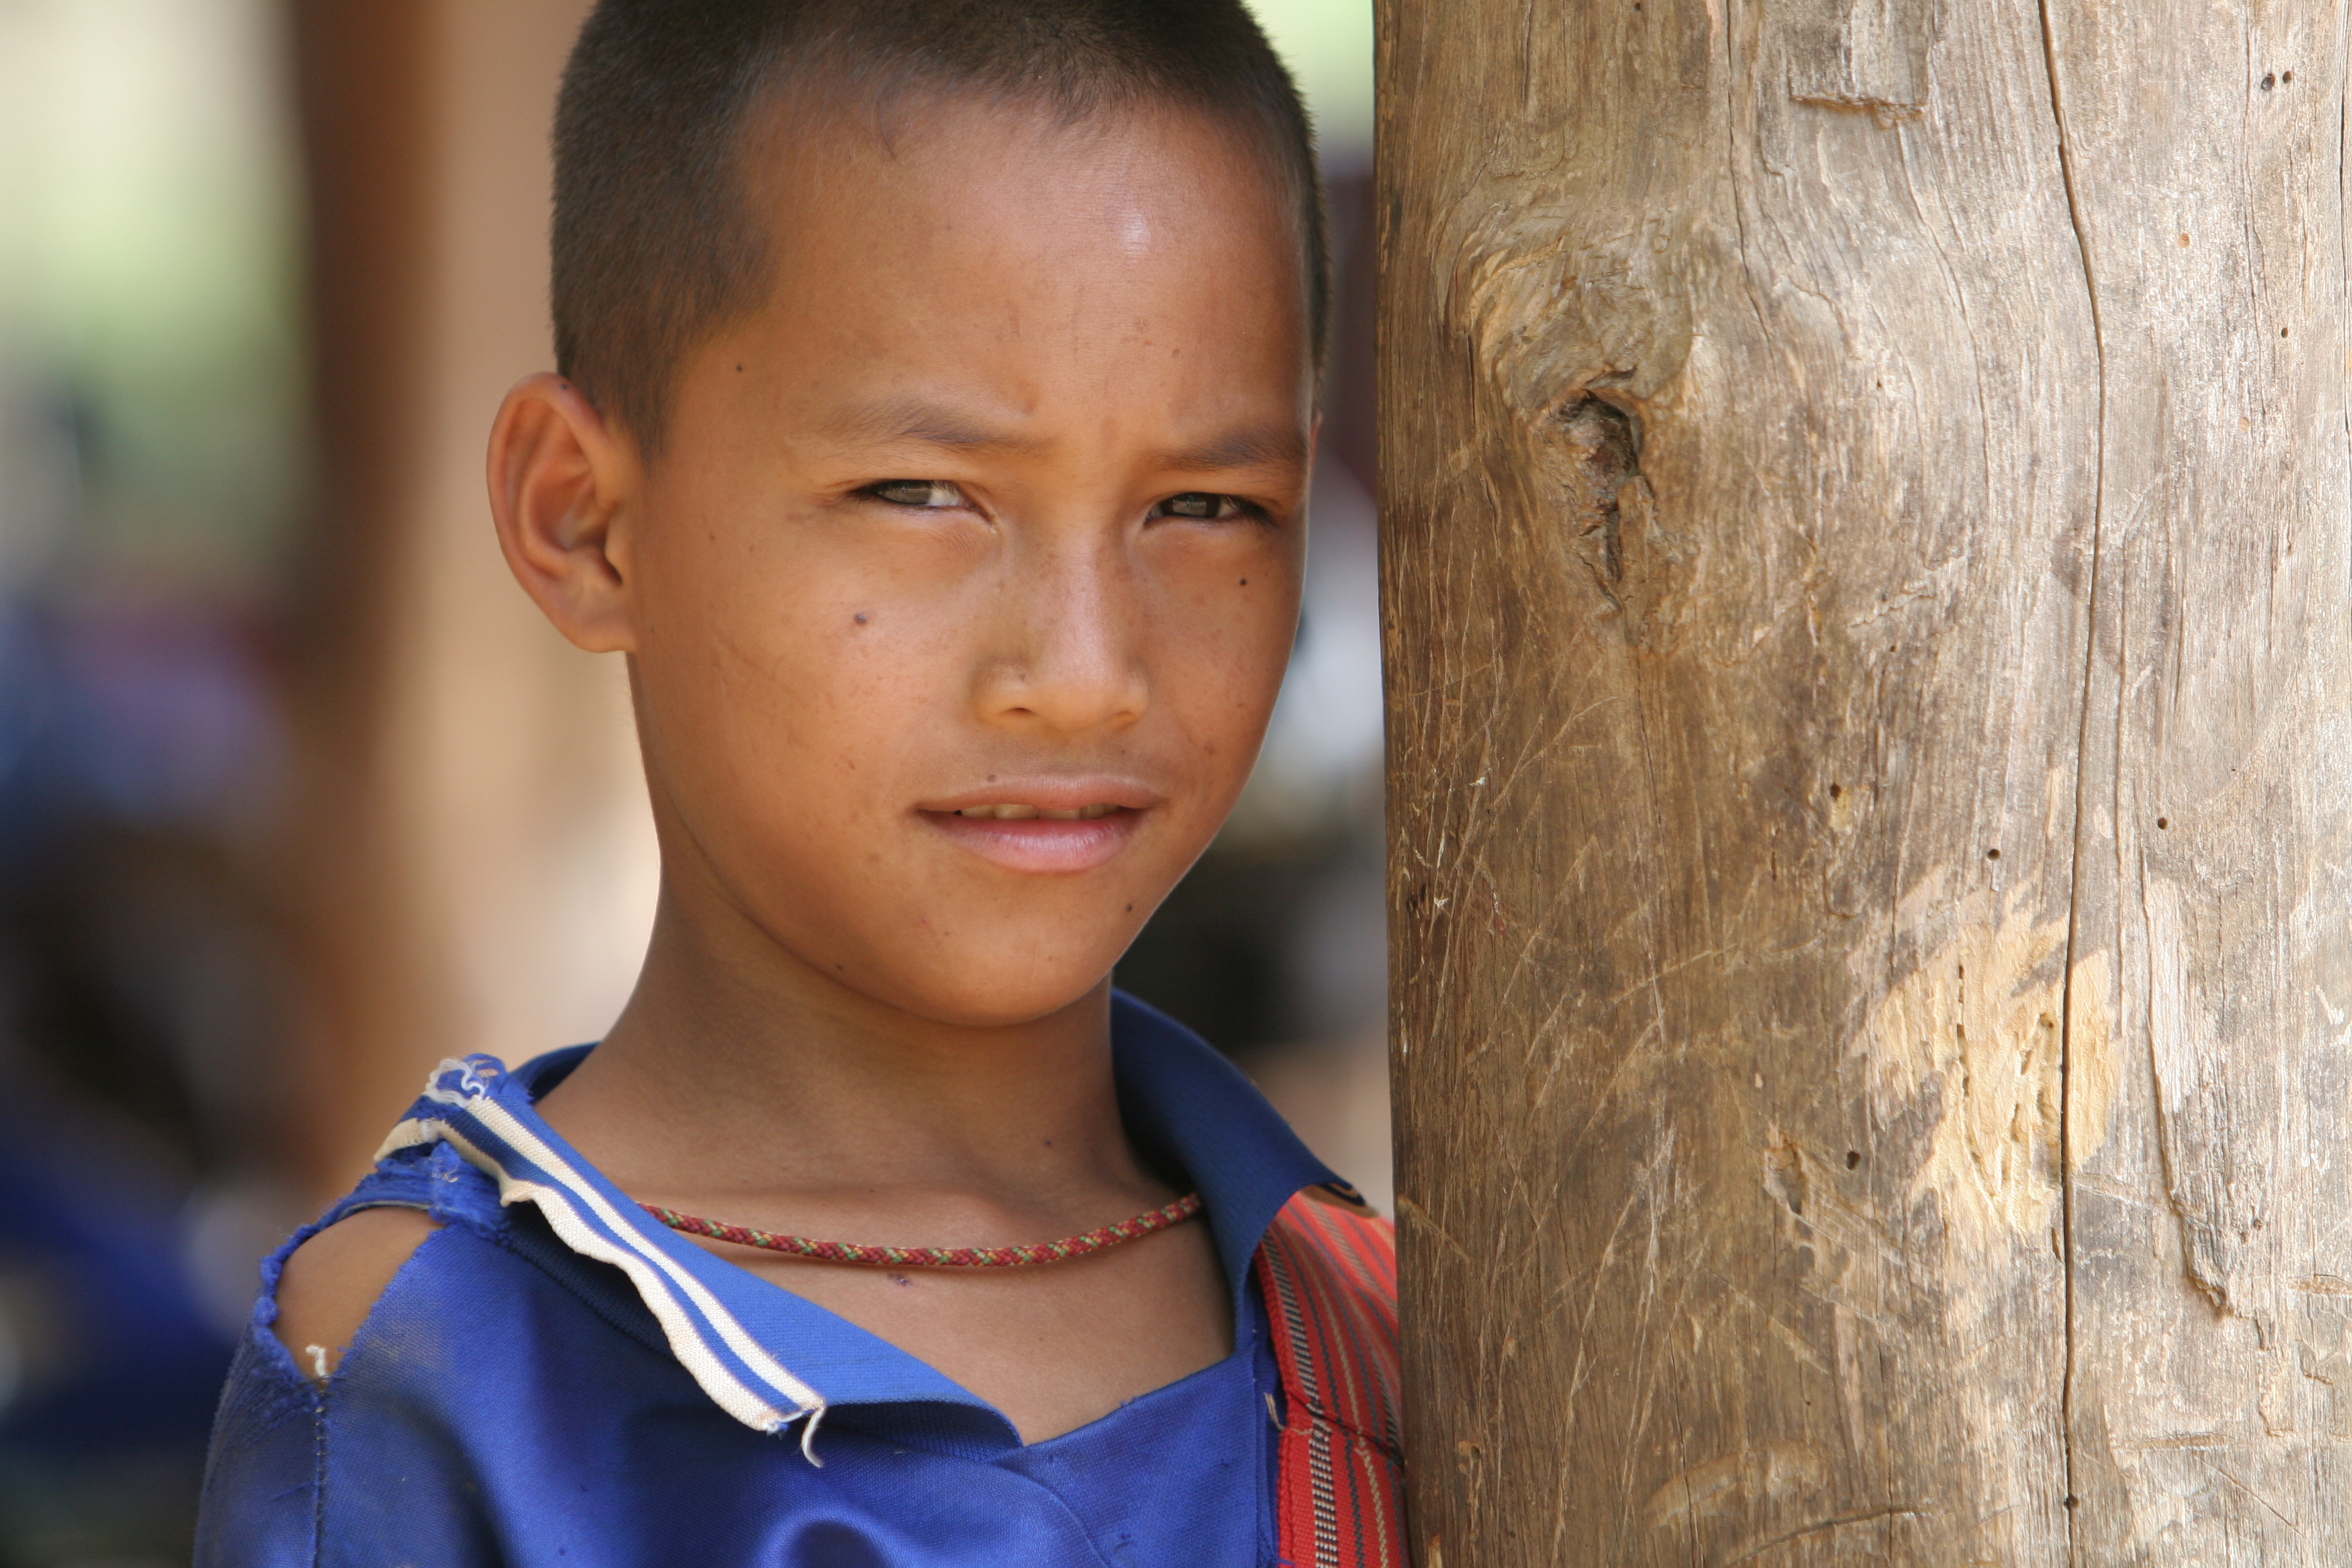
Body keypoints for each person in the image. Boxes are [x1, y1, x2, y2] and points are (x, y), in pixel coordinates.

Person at [193, 2, 1400, 1563]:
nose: (1090, 668)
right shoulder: (449, 1374)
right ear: (586, 522)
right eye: (922, 494)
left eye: (1209, 506)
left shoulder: (1370, 1322)